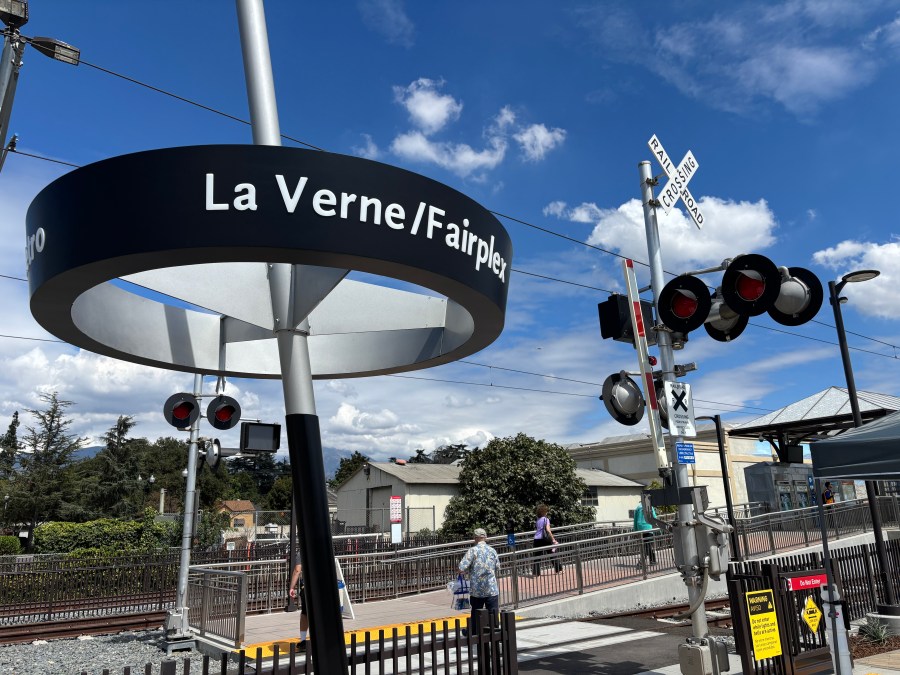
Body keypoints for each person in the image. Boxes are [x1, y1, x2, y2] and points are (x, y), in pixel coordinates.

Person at [458, 527, 500, 635]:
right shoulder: (492, 550)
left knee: (476, 612)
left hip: (477, 589)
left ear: (475, 538)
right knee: (493, 612)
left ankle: (474, 632)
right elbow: (497, 567)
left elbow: (461, 567)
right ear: (485, 537)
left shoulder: (472, 551)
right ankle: (495, 632)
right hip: (491, 588)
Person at [532, 504, 562, 575]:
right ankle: (558, 570)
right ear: (544, 512)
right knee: (552, 554)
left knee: (537, 557)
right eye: (546, 511)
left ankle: (536, 573)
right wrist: (553, 539)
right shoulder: (546, 519)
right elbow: (548, 530)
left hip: (536, 539)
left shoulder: (538, 520)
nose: (547, 512)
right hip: (544, 539)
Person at [288, 559, 309, 650]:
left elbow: (297, 570)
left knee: (305, 614)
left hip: (308, 588)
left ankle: (303, 640)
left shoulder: (302, 550)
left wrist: (291, 587)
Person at [633, 500, 657, 566]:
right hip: (648, 527)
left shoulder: (638, 508)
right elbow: (654, 517)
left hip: (640, 527)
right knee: (648, 545)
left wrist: (635, 530)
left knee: (645, 545)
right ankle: (645, 561)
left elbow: (635, 520)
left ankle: (650, 561)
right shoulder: (650, 507)